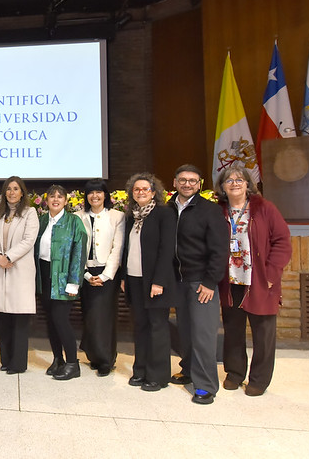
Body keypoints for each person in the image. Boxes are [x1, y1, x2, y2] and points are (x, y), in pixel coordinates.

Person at [216, 165, 292, 397]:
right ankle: (235, 373)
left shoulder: (265, 208)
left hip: (260, 280)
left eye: (239, 180)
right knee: (233, 331)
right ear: (222, 187)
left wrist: (271, 274)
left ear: (248, 184)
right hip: (230, 281)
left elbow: (282, 241)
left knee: (263, 334)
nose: (235, 183)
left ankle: (259, 379)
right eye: (229, 180)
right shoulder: (218, 211)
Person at [167, 164, 229, 405]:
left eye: (193, 180)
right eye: (182, 180)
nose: (187, 184)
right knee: (185, 331)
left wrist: (210, 282)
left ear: (199, 184)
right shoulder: (168, 208)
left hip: (201, 282)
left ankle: (205, 385)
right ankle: (189, 370)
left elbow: (219, 250)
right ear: (174, 182)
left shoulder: (210, 210)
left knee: (203, 334)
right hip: (177, 281)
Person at [120, 172, 176, 392]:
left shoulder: (164, 214)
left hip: (155, 282)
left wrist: (159, 281)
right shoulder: (131, 216)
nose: (140, 192)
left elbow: (167, 250)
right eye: (136, 189)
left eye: (145, 189)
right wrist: (124, 277)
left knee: (157, 327)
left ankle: (157, 376)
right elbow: (127, 250)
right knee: (140, 326)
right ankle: (140, 370)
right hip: (134, 279)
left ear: (154, 192)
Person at [34, 185, 87, 380]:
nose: (55, 199)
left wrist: (74, 282)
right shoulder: (41, 221)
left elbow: (79, 252)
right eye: (52, 196)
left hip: (64, 279)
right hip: (44, 276)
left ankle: (73, 363)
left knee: (61, 319)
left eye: (60, 197)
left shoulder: (74, 222)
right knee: (50, 320)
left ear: (65, 201)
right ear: (46, 200)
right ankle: (58, 359)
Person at [0, 176, 39, 374]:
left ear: (22, 192)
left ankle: (18, 364)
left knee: (19, 320)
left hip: (19, 271)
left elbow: (29, 240)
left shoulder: (30, 213)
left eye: (16, 188)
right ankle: (6, 360)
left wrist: (8, 256)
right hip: (1, 269)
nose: (12, 192)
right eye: (8, 189)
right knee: (3, 318)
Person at [76, 179, 125, 377]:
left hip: (108, 273)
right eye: (90, 192)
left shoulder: (117, 216)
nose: (94, 196)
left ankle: (107, 359)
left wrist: (105, 276)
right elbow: (76, 248)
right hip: (86, 273)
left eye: (99, 192)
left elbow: (118, 247)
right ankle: (94, 356)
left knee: (105, 317)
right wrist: (86, 275)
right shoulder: (78, 216)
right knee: (89, 316)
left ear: (105, 195)